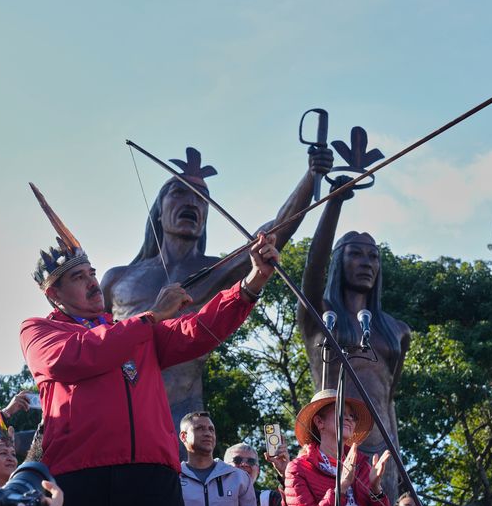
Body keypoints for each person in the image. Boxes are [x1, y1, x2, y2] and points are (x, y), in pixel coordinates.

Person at [21, 184, 280, 506]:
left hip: (154, 474)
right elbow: (74, 357)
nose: (92, 283)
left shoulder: (134, 331)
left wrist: (252, 283)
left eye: (92, 273)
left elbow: (196, 329)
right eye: (78, 277)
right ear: (54, 294)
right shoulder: (39, 330)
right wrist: (151, 316)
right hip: (81, 475)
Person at [102, 146, 333, 438]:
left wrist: (311, 177)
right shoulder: (117, 278)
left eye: (201, 199)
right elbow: (86, 333)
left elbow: (275, 229)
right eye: (179, 192)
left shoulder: (216, 271)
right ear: (159, 210)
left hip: (180, 411)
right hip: (115, 401)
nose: (191, 202)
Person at [298, 172, 411, 501]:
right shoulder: (319, 317)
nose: (366, 262)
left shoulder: (397, 330)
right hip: (330, 442)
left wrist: (398, 457)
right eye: (355, 254)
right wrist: (333, 204)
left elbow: (388, 401)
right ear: (339, 262)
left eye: (373, 256)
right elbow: (312, 268)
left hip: (380, 448)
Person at [284, 388, 391, 506]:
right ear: (319, 422)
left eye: (352, 416)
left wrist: (376, 490)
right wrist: (341, 488)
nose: (349, 418)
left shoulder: (363, 467)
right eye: (341, 412)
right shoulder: (298, 468)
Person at [179, 412, 256, 506]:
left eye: (211, 429)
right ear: (183, 436)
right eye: (200, 428)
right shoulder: (173, 478)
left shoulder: (239, 477)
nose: (208, 433)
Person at [225, 442, 289, 506]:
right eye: (237, 460)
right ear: (224, 468)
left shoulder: (270, 500)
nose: (244, 464)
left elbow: (293, 504)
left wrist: (285, 473)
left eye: (251, 461)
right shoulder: (213, 497)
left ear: (258, 471)